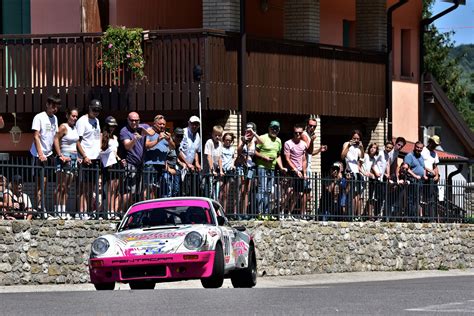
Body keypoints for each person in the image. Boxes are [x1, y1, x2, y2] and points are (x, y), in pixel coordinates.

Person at [30, 94, 61, 217]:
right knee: (39, 183)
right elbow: (36, 136)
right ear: (47, 105)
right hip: (38, 154)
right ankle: (39, 208)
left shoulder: (55, 119)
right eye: (53, 106)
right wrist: (40, 154)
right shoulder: (39, 117)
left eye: (57, 107)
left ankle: (41, 207)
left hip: (49, 154)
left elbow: (55, 137)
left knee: (46, 182)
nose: (55, 109)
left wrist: (58, 154)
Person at [119, 112, 154, 208]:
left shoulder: (143, 126)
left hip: (140, 164)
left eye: (136, 120)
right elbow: (127, 146)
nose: (134, 122)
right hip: (130, 163)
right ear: (128, 120)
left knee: (139, 191)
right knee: (129, 191)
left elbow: (152, 132)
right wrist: (134, 139)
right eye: (132, 120)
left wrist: (143, 131)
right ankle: (121, 212)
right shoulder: (124, 130)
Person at [255, 120, 287, 218]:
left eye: (276, 129)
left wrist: (281, 167)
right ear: (269, 128)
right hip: (262, 167)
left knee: (269, 191)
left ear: (279, 130)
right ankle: (260, 213)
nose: (274, 130)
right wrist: (263, 157)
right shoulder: (262, 138)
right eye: (272, 128)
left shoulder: (278, 141)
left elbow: (278, 155)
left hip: (272, 168)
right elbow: (255, 152)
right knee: (262, 189)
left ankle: (267, 213)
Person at [76, 99, 102, 220]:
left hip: (95, 158)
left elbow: (97, 137)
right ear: (89, 108)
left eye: (98, 110)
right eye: (94, 109)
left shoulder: (96, 121)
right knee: (84, 187)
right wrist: (84, 156)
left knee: (92, 188)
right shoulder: (82, 121)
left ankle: (89, 211)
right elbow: (77, 141)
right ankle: (81, 211)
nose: (96, 112)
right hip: (87, 157)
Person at [53, 108, 79, 220]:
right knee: (61, 185)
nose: (75, 118)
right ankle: (57, 210)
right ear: (67, 115)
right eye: (73, 116)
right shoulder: (64, 127)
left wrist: (79, 157)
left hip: (73, 157)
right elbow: (56, 139)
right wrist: (60, 155)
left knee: (67, 187)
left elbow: (76, 143)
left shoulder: (75, 128)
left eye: (76, 116)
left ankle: (63, 209)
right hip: (64, 156)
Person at [301, 117, 327, 214]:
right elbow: (308, 149)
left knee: (307, 192)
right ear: (307, 125)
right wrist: (312, 141)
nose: (312, 128)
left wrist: (319, 150)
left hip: (309, 166)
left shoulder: (309, 135)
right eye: (310, 125)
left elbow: (310, 153)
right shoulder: (304, 135)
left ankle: (304, 213)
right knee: (304, 192)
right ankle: (302, 214)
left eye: (314, 126)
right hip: (304, 167)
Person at [235, 122, 262, 217]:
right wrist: (243, 142)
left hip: (250, 166)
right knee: (240, 189)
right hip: (242, 165)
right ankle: (237, 213)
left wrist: (254, 133)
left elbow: (262, 143)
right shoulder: (241, 138)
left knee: (247, 190)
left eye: (250, 129)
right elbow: (238, 151)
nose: (248, 131)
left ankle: (244, 213)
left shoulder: (254, 139)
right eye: (247, 129)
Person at [144, 115, 174, 199]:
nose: (162, 126)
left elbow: (173, 147)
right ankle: (147, 208)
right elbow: (146, 145)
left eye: (164, 124)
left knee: (155, 188)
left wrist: (169, 140)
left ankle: (151, 208)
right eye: (160, 124)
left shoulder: (166, 134)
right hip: (150, 164)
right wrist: (158, 140)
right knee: (148, 188)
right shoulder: (150, 132)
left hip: (160, 165)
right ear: (155, 123)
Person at [284, 124, 308, 218]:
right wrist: (295, 170)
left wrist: (304, 173)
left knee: (297, 194)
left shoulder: (304, 144)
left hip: (300, 171)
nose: (297, 134)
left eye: (300, 133)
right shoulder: (288, 143)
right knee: (289, 192)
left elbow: (304, 159)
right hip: (291, 170)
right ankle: (281, 211)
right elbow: (287, 158)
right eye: (296, 133)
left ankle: (289, 213)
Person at [99, 116, 121, 219]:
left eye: (113, 126)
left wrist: (119, 158)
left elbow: (115, 151)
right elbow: (100, 150)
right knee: (109, 189)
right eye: (110, 126)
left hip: (115, 162)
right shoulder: (102, 135)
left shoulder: (115, 137)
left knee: (114, 189)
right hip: (107, 163)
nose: (112, 128)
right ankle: (108, 211)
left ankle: (113, 211)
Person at [341, 130, 364, 220]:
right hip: (349, 171)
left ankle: (354, 215)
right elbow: (342, 156)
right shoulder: (346, 144)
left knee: (356, 195)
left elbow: (361, 157)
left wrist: (361, 147)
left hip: (356, 172)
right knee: (347, 193)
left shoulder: (358, 147)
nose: (356, 140)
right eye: (354, 138)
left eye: (358, 139)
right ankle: (348, 214)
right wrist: (349, 145)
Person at [404, 141, 427, 218]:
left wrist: (424, 175)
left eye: (420, 148)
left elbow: (423, 168)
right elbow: (406, 168)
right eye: (417, 147)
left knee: (417, 199)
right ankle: (410, 216)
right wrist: (415, 176)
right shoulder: (409, 156)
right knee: (411, 199)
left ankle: (415, 216)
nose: (419, 149)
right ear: (414, 146)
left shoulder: (421, 157)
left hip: (420, 181)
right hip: (412, 180)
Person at [179, 116, 202, 195]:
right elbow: (178, 150)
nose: (194, 126)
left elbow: (196, 151)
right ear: (189, 123)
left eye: (196, 124)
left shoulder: (198, 135)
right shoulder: (183, 132)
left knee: (190, 190)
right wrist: (186, 163)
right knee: (180, 190)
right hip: (180, 166)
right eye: (192, 124)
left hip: (190, 168)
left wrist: (197, 162)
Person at [421, 135, 440, 218]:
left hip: (432, 178)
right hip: (424, 177)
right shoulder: (423, 151)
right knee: (424, 197)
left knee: (434, 196)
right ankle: (425, 215)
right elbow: (421, 164)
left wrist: (437, 175)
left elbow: (435, 166)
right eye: (434, 144)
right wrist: (429, 170)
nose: (435, 146)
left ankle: (433, 215)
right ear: (430, 142)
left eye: (436, 145)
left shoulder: (434, 153)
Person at [203, 125, 224, 200]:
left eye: (219, 135)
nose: (217, 137)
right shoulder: (209, 142)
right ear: (212, 134)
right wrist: (212, 170)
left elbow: (220, 158)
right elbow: (209, 157)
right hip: (208, 170)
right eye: (216, 135)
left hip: (215, 171)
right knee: (209, 190)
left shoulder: (220, 144)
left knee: (216, 191)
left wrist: (221, 170)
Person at [361, 143, 380, 220]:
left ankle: (369, 215)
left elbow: (374, 168)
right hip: (362, 177)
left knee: (370, 197)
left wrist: (376, 174)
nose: (373, 149)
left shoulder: (373, 159)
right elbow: (359, 166)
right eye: (371, 147)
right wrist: (364, 173)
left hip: (368, 179)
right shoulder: (365, 156)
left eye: (375, 148)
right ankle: (360, 215)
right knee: (361, 196)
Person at [374, 140, 394, 218]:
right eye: (387, 147)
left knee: (382, 197)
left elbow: (387, 165)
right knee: (377, 197)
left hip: (382, 178)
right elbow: (373, 162)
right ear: (385, 146)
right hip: (377, 177)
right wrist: (376, 172)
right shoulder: (380, 153)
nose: (388, 149)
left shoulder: (388, 155)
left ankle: (379, 213)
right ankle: (375, 214)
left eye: (390, 148)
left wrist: (387, 174)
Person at [165, 127, 186, 197]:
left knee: (176, 190)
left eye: (181, 136)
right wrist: (168, 169)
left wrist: (181, 163)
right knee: (168, 192)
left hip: (174, 169)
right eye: (178, 136)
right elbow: (163, 157)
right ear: (173, 135)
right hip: (167, 171)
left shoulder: (177, 145)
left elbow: (175, 156)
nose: (179, 138)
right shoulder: (168, 144)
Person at [220, 132, 236, 212]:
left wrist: (232, 165)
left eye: (230, 140)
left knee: (226, 192)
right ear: (223, 140)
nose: (228, 142)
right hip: (221, 170)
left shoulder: (233, 149)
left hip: (229, 171)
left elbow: (233, 158)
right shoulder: (221, 148)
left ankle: (224, 211)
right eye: (226, 140)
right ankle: (218, 211)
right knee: (220, 192)